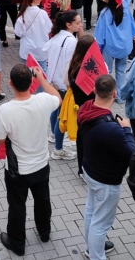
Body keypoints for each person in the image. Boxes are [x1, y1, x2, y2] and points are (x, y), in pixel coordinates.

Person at [0, 64, 62, 256]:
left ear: (11, 84)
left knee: (17, 206)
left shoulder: (5, 110)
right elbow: (59, 98)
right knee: (43, 200)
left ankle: (17, 242)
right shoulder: (43, 101)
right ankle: (44, 232)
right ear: (31, 82)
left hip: (17, 170)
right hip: (41, 164)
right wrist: (41, 78)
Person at [79, 74, 134, 259]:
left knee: (91, 210)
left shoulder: (86, 109)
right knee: (101, 223)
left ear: (94, 90)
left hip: (90, 170)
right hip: (106, 180)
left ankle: (91, 246)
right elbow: (131, 153)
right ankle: (96, 254)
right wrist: (127, 129)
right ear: (114, 93)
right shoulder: (112, 129)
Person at [43, 10, 82, 159]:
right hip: (63, 84)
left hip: (53, 81)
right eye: (78, 23)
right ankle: (58, 150)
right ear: (68, 24)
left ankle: (53, 136)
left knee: (56, 110)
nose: (80, 25)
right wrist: (70, 85)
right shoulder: (71, 41)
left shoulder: (56, 37)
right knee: (62, 117)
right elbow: (69, 66)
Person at [95, 0, 135, 101]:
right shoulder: (126, 10)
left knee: (106, 71)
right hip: (124, 47)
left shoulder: (105, 13)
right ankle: (120, 96)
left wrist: (97, 48)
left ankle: (106, 94)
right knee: (121, 71)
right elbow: (133, 28)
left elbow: (100, 33)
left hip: (109, 47)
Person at [14, 0, 51, 67]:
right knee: (43, 72)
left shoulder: (22, 14)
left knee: (26, 73)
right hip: (41, 49)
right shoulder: (42, 13)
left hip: (26, 50)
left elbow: (18, 33)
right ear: (35, 0)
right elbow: (49, 28)